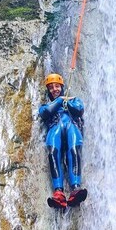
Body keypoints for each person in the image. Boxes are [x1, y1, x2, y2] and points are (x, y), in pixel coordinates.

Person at [39, 73, 87, 209]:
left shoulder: (74, 100)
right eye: (51, 87)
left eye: (57, 86)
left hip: (71, 126)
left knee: (74, 150)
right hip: (56, 128)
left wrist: (68, 103)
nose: (54, 89)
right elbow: (45, 113)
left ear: (62, 86)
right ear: (48, 91)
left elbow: (79, 110)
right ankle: (58, 192)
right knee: (53, 151)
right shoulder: (46, 106)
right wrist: (60, 101)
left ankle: (76, 187)